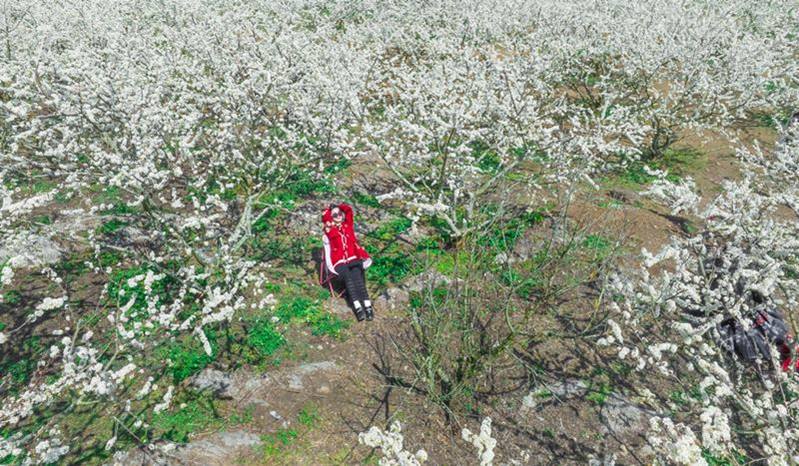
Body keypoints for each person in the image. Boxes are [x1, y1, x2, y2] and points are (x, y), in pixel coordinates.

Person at [321, 202, 374, 321]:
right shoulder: (329, 229)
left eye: (340, 213)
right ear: (331, 218)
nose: (339, 216)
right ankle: (358, 308)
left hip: (354, 258)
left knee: (358, 279)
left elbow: (349, 210)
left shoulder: (348, 225)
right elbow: (325, 219)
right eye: (335, 215)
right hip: (339, 262)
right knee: (349, 279)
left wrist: (338, 206)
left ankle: (368, 307)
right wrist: (330, 212)